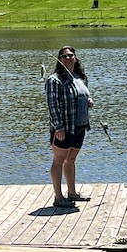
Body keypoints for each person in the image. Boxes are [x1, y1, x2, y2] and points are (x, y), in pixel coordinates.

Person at [45, 45, 93, 209]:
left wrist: (88, 102)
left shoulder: (79, 77)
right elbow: (52, 105)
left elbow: (84, 95)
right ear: (60, 60)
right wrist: (58, 127)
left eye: (71, 55)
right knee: (59, 160)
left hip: (79, 126)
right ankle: (59, 197)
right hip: (64, 127)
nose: (68, 58)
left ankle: (72, 193)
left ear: (76, 57)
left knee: (71, 160)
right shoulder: (55, 80)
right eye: (64, 56)